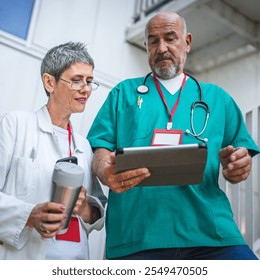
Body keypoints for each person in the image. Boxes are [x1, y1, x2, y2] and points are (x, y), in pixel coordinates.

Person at [87, 12, 260, 260]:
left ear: (187, 42)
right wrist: (105, 171)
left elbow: (240, 157)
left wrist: (238, 166)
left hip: (210, 234)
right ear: (146, 46)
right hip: (138, 236)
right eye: (153, 41)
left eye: (170, 38)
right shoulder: (123, 93)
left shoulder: (216, 99)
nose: (162, 48)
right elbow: (100, 149)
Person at [0, 42, 107, 259]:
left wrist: (84, 207)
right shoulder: (17, 124)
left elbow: (96, 212)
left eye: (89, 81)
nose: (85, 89)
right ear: (50, 82)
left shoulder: (84, 146)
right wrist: (29, 215)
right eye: (76, 80)